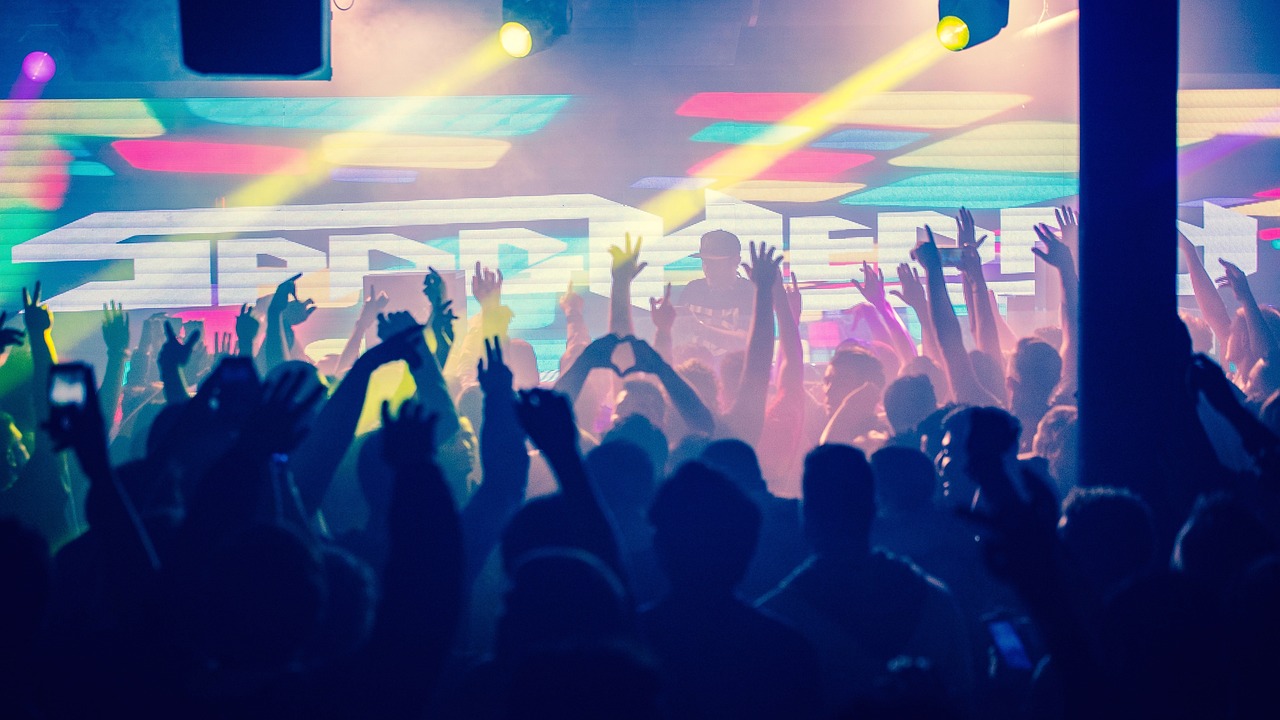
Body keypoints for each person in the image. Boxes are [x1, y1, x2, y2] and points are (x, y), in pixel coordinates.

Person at [758, 444, 974, 714]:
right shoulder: (938, 600)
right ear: (873, 510)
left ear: (807, 515)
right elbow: (964, 700)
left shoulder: (774, 619)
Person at [674, 230, 755, 355]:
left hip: (732, 367)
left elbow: (745, 342)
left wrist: (698, 327)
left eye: (714, 262)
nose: (707, 268)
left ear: (735, 260)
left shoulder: (749, 293)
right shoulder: (693, 289)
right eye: (705, 261)